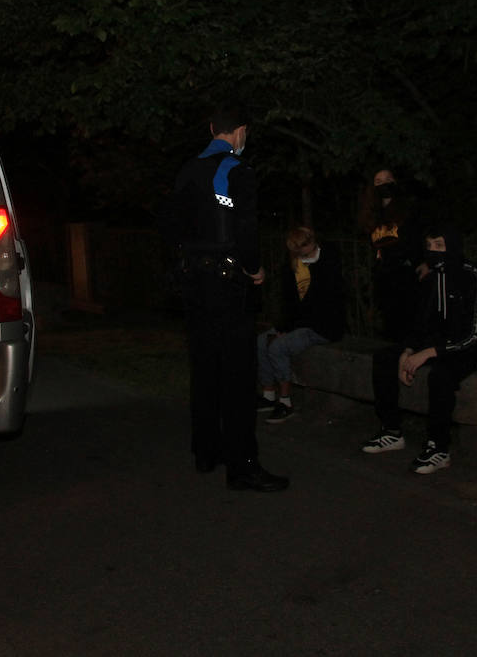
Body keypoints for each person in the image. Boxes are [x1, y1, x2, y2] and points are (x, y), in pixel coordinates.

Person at [160, 108, 289, 492]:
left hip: (194, 283)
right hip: (228, 283)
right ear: (240, 132)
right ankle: (243, 465)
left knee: (204, 367)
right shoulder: (236, 170)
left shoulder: (187, 170)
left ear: (212, 128)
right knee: (237, 374)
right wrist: (254, 268)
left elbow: (171, 226)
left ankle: (206, 451)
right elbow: (243, 225)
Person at [360, 225, 477, 473]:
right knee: (385, 358)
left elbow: (474, 335)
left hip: (470, 347)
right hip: (436, 342)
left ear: (452, 246)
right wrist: (409, 350)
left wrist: (429, 352)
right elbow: (421, 321)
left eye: (439, 245)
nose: (433, 252)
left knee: (441, 377)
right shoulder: (432, 276)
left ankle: (439, 448)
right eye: (429, 246)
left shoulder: (474, 276)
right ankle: (391, 431)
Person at [257, 226, 346, 423]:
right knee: (262, 342)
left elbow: (325, 304)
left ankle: (285, 401)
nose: (305, 249)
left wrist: (288, 330)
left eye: (306, 244)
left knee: (277, 347)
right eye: (299, 247)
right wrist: (283, 328)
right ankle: (268, 394)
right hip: (300, 324)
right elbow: (290, 302)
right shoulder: (293, 265)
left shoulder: (328, 260)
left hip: (323, 326)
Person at [358, 168, 424, 344]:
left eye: (388, 179)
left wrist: (424, 262)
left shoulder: (409, 209)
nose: (384, 184)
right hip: (385, 275)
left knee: (409, 321)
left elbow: (418, 239)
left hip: (407, 274)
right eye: (378, 181)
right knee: (390, 324)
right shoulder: (373, 215)